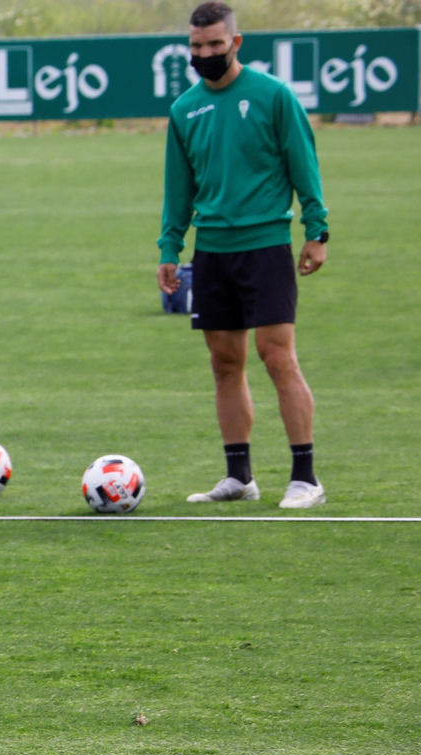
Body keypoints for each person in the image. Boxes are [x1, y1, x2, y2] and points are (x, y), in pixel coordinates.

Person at [159, 1, 328, 509]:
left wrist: (317, 230)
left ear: (236, 43)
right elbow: (178, 188)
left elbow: (304, 162)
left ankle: (306, 478)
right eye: (196, 46)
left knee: (278, 358)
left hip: (266, 247)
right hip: (212, 252)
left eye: (214, 44)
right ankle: (240, 477)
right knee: (223, 363)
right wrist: (171, 246)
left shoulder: (273, 96)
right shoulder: (184, 109)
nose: (205, 54)